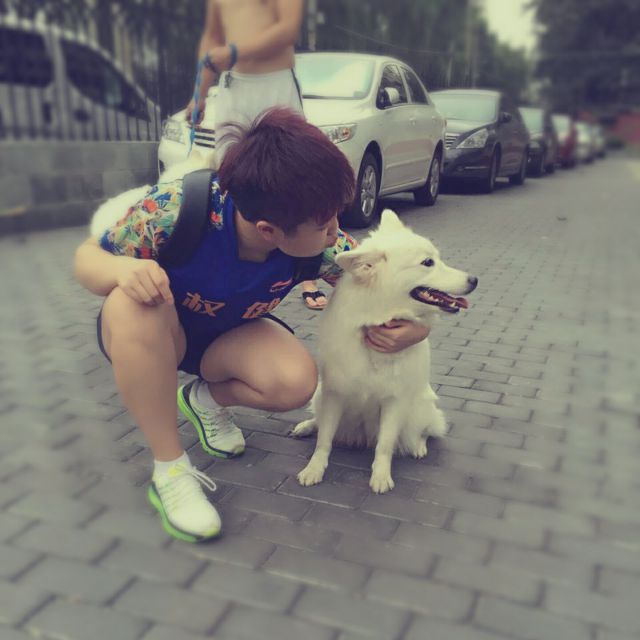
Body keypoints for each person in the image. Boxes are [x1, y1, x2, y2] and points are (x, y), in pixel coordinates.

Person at [74, 109, 431, 542]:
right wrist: (122, 270)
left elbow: (381, 290)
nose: (336, 231)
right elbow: (88, 257)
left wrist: (418, 330)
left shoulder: (323, 245)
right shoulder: (175, 209)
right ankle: (170, 471)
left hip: (225, 341)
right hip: (156, 332)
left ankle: (204, 400)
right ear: (268, 230)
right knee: (129, 304)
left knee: (296, 381)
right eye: (324, 224)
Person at [186, 0, 328, 309]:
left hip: (275, 83)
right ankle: (231, 266)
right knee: (229, 176)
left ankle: (309, 274)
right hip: (234, 87)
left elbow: (286, 30)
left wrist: (234, 52)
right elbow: (212, 38)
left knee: (296, 176)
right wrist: (199, 95)